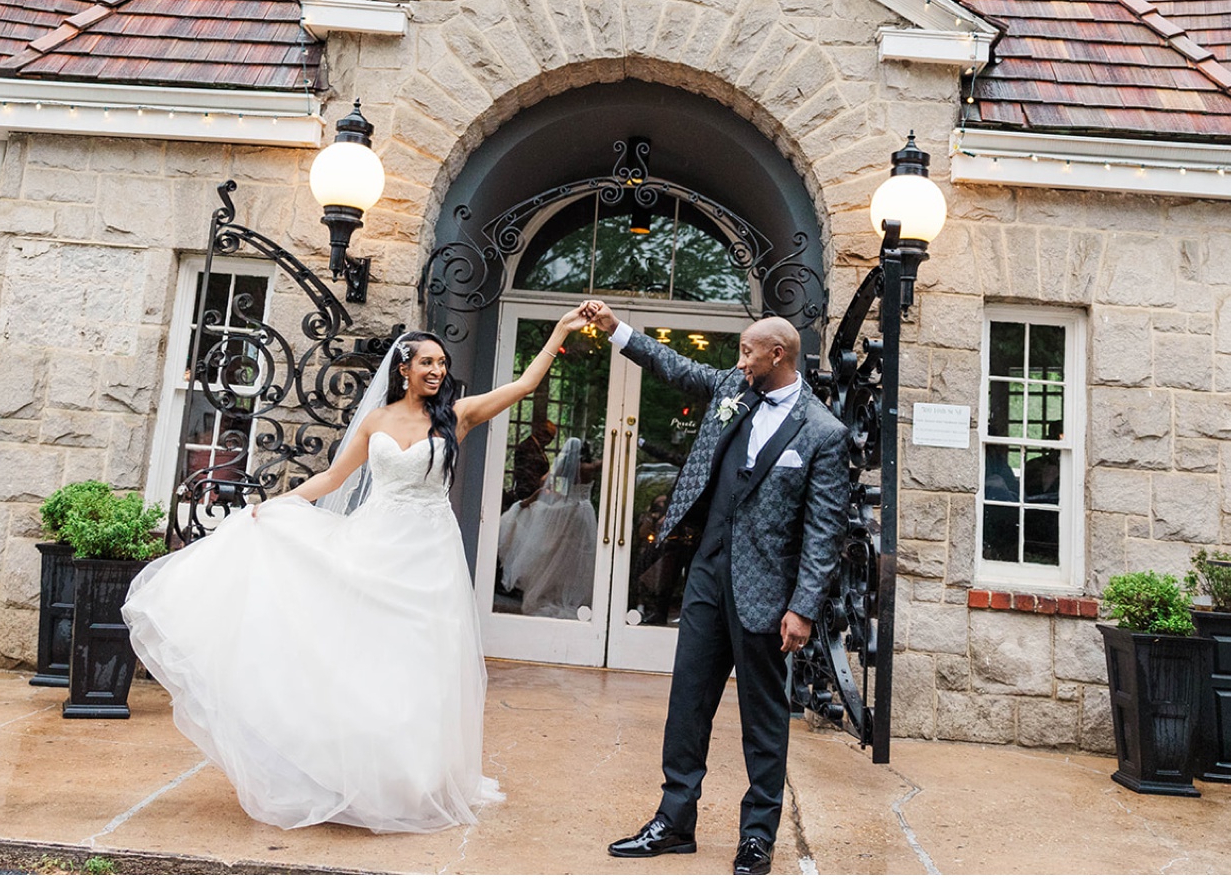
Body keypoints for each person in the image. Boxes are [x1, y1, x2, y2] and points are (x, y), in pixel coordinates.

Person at [121, 309, 588, 834]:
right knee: (365, 654)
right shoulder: (376, 421)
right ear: (404, 368)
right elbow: (332, 476)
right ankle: (352, 769)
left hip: (430, 553)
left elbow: (525, 383)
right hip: (376, 540)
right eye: (427, 361)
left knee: (423, 659)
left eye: (442, 362)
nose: (437, 370)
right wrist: (278, 504)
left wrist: (561, 330)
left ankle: (415, 775)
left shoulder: (456, 415)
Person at [582, 300, 847, 876]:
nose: (739, 358)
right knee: (688, 702)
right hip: (707, 571)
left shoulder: (824, 431)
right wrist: (616, 331)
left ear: (778, 355)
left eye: (748, 350)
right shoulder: (734, 385)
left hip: (767, 594)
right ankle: (674, 822)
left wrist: (802, 608)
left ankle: (757, 837)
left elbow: (825, 529)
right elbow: (676, 367)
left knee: (764, 720)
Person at [496, 436, 599, 618]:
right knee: (579, 556)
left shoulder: (569, 467)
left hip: (567, 510)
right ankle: (576, 596)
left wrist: (553, 490)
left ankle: (556, 592)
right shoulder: (589, 468)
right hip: (584, 511)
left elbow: (544, 480)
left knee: (561, 554)